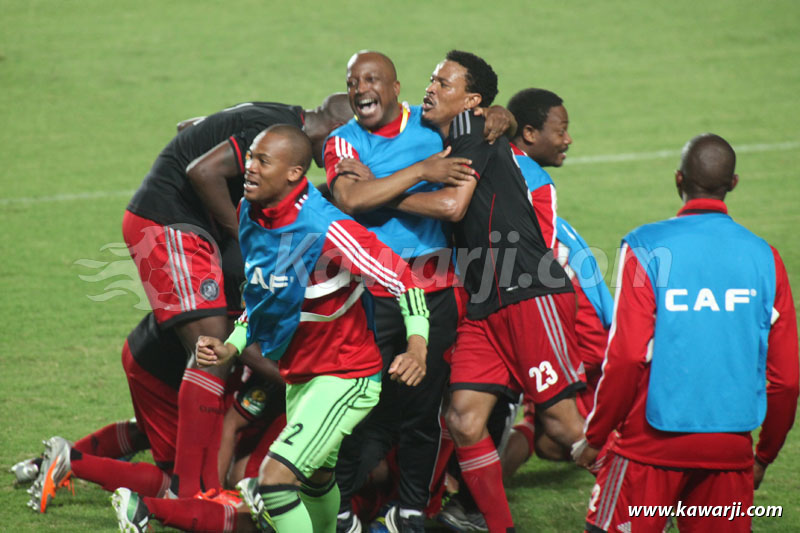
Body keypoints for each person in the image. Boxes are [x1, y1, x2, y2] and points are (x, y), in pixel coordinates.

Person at [194, 124, 430, 533]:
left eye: (262, 161)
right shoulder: (250, 212)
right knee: (318, 480)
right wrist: (232, 346)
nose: (248, 168)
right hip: (300, 375)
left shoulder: (328, 229)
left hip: (346, 376)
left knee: (274, 482)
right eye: (250, 156)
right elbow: (264, 298)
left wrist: (417, 347)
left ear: (294, 173)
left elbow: (404, 279)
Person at [391, 51, 587, 532]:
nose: (430, 87)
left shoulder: (473, 127)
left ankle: (644, 504)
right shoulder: (454, 129)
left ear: (472, 100)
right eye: (431, 78)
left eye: (443, 81)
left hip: (528, 290)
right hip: (485, 302)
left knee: (564, 427)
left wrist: (381, 196)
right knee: (463, 419)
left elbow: (454, 206)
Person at [123, 95, 352, 499]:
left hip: (182, 225)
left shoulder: (276, 118)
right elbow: (203, 169)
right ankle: (191, 488)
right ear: (332, 132)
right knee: (212, 344)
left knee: (216, 344)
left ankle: (190, 483)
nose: (340, 159)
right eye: (343, 146)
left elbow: (187, 128)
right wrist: (244, 235)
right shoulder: (285, 135)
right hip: (168, 219)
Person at [323, 51, 512, 533]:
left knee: (423, 412)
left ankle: (410, 512)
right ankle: (341, 512)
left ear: (394, 87)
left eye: (372, 79)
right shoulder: (342, 142)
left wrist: (498, 113)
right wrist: (419, 172)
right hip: (370, 294)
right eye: (352, 82)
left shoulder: (432, 129)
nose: (361, 89)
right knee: (356, 407)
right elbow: (351, 198)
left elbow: (479, 132)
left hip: (435, 290)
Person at [576, 133, 799, 532]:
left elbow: (626, 355)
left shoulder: (646, 247)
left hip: (648, 445)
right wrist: (763, 456)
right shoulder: (766, 258)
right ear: (733, 184)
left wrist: (595, 435)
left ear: (678, 180)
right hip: (729, 451)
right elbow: (786, 381)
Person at [498, 88, 614, 476]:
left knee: (544, 430)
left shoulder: (504, 168)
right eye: (561, 130)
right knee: (566, 427)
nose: (568, 139)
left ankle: (466, 502)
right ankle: (629, 487)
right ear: (529, 133)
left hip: (525, 308)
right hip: (549, 312)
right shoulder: (531, 180)